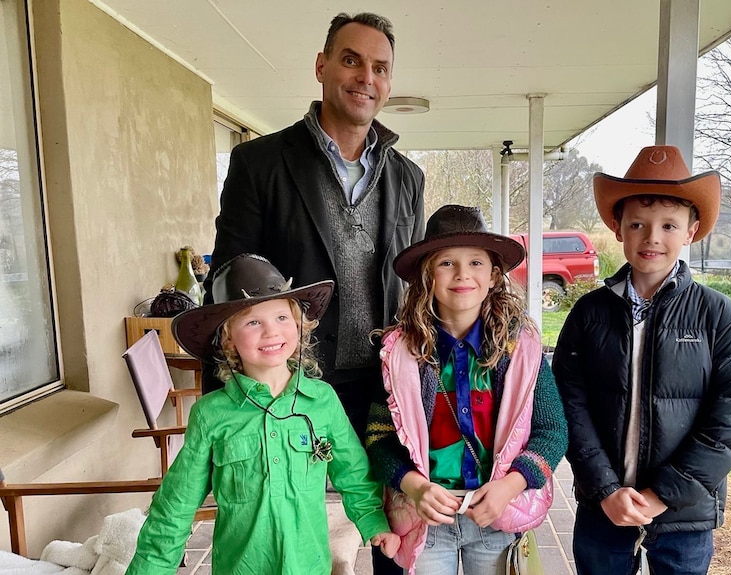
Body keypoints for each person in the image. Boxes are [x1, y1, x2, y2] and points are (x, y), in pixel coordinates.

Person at [203, 11, 426, 442]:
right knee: (294, 507)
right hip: (286, 385)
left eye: (379, 68)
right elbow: (229, 286)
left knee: (371, 507)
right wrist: (228, 408)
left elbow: (414, 285)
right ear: (321, 66)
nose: (366, 77)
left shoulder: (408, 178)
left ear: (389, 83)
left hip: (384, 388)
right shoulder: (259, 164)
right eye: (351, 60)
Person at [126, 254, 400, 575]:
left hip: (308, 565)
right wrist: (149, 568)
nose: (272, 332)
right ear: (228, 338)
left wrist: (372, 522)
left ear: (299, 324)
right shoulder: (211, 414)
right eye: (253, 322)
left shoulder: (322, 401)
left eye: (282, 318)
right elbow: (176, 504)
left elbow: (354, 474)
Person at [552, 145, 731, 575]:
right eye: (638, 224)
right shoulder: (589, 314)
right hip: (603, 508)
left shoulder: (718, 316)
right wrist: (606, 488)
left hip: (684, 515)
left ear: (691, 231)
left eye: (668, 225)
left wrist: (663, 494)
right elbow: (569, 405)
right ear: (618, 227)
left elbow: (730, 418)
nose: (652, 238)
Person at [365, 205, 568, 575]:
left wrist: (512, 485)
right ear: (426, 275)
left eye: (476, 263)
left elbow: (552, 432)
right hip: (425, 517)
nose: (462, 274)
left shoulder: (521, 352)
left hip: (496, 515)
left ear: (493, 275)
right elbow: (378, 437)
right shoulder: (399, 356)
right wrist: (412, 486)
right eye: (446, 263)